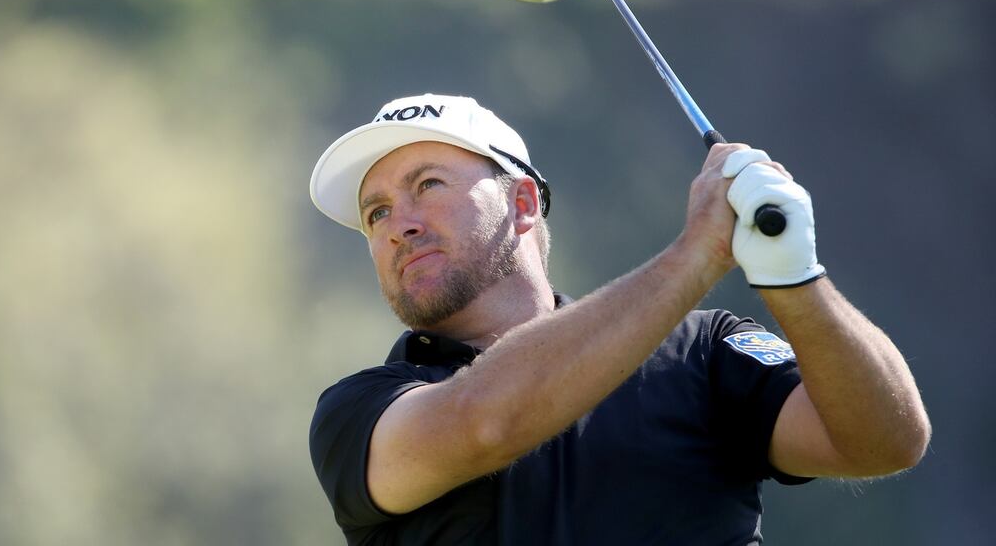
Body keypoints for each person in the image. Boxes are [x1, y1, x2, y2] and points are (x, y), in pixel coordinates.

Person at [307, 93, 931, 545]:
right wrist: (697, 254)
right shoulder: (360, 411)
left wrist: (794, 279)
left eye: (428, 185)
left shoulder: (703, 351)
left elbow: (886, 440)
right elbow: (485, 423)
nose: (400, 226)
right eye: (376, 213)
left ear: (522, 203)